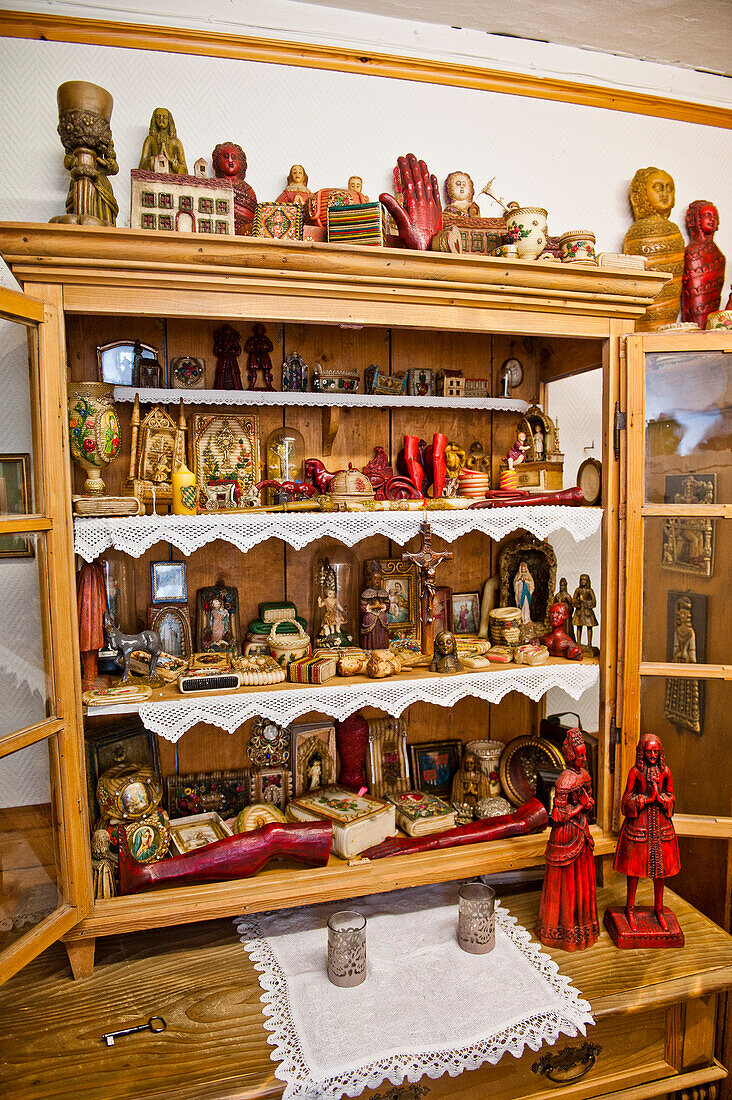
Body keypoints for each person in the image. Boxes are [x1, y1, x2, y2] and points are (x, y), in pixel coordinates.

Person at [536, 728, 599, 951]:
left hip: (581, 831)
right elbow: (557, 815)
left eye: (584, 755)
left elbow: (590, 802)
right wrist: (581, 806)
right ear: (571, 755)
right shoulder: (564, 780)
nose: (583, 759)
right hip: (565, 835)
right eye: (580, 755)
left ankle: (582, 928)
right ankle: (559, 929)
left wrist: (587, 804)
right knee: (564, 883)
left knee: (582, 880)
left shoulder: (585, 775)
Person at [614, 733, 680, 932]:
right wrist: (644, 799)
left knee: (660, 871)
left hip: (660, 826)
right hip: (639, 825)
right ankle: (630, 908)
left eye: (655, 751)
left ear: (660, 752)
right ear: (642, 752)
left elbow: (671, 797)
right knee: (634, 870)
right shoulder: (635, 772)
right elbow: (625, 801)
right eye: (649, 751)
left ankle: (659, 909)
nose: (652, 755)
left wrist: (661, 799)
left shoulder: (665, 771)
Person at [682, 200, 725, 328]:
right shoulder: (692, 252)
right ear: (696, 219)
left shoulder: (718, 254)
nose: (712, 219)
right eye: (707, 215)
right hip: (695, 325)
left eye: (715, 217)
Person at [212, 142, 257, 233]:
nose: (230, 160)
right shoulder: (213, 187)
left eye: (233, 157)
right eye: (225, 157)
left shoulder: (247, 189)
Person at [138, 107, 187, 174]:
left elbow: (185, 170)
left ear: (169, 120)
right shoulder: (150, 140)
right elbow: (142, 166)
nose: (161, 119)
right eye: (158, 117)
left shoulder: (176, 142)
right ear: (154, 120)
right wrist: (151, 162)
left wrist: (176, 166)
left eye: (164, 117)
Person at [572, 574, 598, 651]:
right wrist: (578, 602)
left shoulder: (589, 591)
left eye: (584, 580)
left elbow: (594, 602)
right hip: (579, 611)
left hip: (587, 612)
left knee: (589, 627)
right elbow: (573, 601)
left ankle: (589, 644)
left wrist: (586, 602)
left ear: (587, 581)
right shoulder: (578, 590)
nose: (583, 582)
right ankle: (578, 643)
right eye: (582, 580)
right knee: (578, 627)